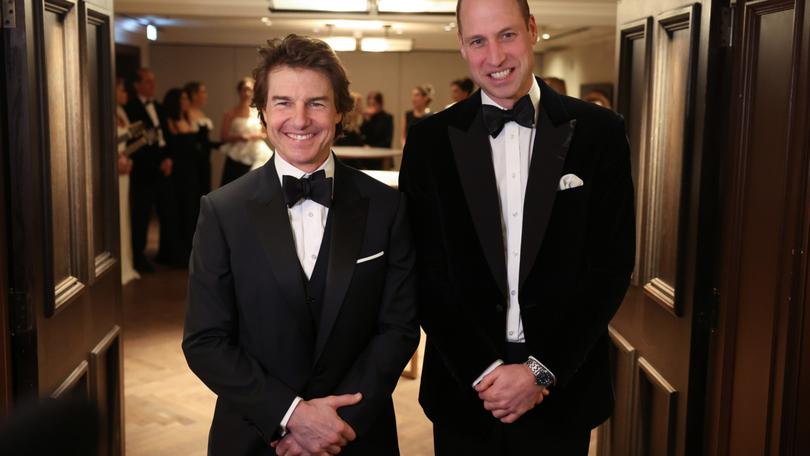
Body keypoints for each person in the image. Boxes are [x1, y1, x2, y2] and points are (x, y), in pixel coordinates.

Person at [399, 0, 636, 454]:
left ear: (532, 29)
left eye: (506, 34)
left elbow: (610, 265)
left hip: (562, 383)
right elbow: (424, 270)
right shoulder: (429, 141)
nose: (495, 56)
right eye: (478, 41)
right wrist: (482, 371)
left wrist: (541, 370)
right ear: (462, 46)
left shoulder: (599, 131)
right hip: (464, 387)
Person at [183, 34, 419, 456]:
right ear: (262, 113)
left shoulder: (388, 206)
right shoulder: (222, 211)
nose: (300, 119)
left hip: (357, 435)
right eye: (283, 102)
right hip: (255, 437)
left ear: (341, 111)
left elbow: (398, 329)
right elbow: (205, 341)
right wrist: (291, 416)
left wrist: (336, 424)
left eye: (317, 102)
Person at [124, 68, 177, 273]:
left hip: (164, 167)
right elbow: (136, 145)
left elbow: (166, 134)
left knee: (168, 213)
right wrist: (156, 164)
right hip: (144, 171)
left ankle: (167, 253)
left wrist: (169, 158)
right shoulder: (130, 108)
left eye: (153, 81)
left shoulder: (157, 106)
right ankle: (138, 257)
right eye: (147, 82)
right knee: (141, 216)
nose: (152, 86)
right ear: (137, 85)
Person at [163, 88, 200, 265]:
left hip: (191, 171)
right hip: (177, 173)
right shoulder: (170, 121)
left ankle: (190, 250)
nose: (186, 101)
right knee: (176, 211)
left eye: (186, 98)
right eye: (183, 98)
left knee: (190, 210)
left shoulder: (188, 119)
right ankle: (176, 253)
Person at [218, 77, 273, 186]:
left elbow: (264, 133)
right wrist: (239, 137)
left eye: (250, 90)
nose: (247, 93)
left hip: (256, 152)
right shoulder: (230, 113)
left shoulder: (258, 112)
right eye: (245, 89)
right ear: (239, 91)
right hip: (237, 154)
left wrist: (254, 136)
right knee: (234, 186)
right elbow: (223, 136)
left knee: (256, 184)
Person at [115, 78, 140, 285]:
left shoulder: (121, 113)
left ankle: (126, 264)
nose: (126, 94)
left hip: (124, 170)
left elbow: (123, 146)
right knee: (116, 216)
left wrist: (127, 158)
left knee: (125, 214)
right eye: (122, 89)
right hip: (113, 172)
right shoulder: (106, 112)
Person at [184, 81, 215, 196]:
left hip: (205, 158)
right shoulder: (186, 113)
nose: (206, 95)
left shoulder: (201, 113)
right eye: (203, 92)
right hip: (193, 159)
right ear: (194, 94)